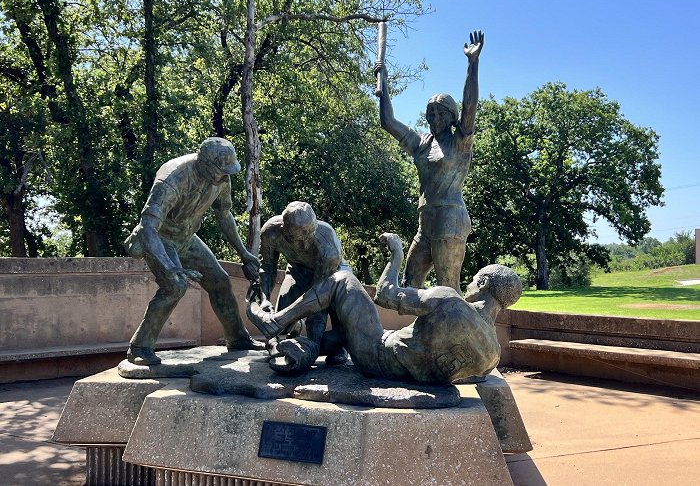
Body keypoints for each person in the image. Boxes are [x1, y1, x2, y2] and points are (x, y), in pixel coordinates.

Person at [247, 233, 522, 384]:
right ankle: (305, 349)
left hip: (377, 355)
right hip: (407, 369)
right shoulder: (492, 356)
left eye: (474, 281)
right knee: (340, 334)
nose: (470, 284)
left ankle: (277, 321)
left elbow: (386, 295)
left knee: (342, 280)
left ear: (483, 283)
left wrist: (396, 255)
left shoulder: (449, 300)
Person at [124, 137, 265, 365]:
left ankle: (238, 339)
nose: (226, 176)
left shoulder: (222, 176)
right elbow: (148, 228)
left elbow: (224, 216)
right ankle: (140, 347)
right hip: (159, 238)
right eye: (222, 171)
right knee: (175, 286)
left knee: (219, 279)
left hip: (187, 238)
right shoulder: (172, 178)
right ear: (207, 165)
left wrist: (243, 253)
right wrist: (170, 267)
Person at [375, 31, 485, 292]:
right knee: (410, 283)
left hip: (450, 218)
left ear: (450, 116)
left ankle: (459, 332)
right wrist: (384, 82)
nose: (433, 117)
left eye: (439, 112)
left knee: (447, 288)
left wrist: (473, 64)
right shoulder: (421, 143)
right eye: (430, 113)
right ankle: (419, 332)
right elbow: (387, 122)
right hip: (425, 222)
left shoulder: (460, 142)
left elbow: (470, 107)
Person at [254, 201, 350, 366]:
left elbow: (319, 299)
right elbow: (267, 268)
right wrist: (264, 299)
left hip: (333, 276)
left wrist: (312, 347)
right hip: (297, 271)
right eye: (297, 240)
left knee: (335, 309)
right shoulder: (271, 233)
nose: (305, 245)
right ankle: (295, 327)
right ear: (284, 230)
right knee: (281, 324)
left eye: (309, 236)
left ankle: (338, 347)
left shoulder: (328, 245)